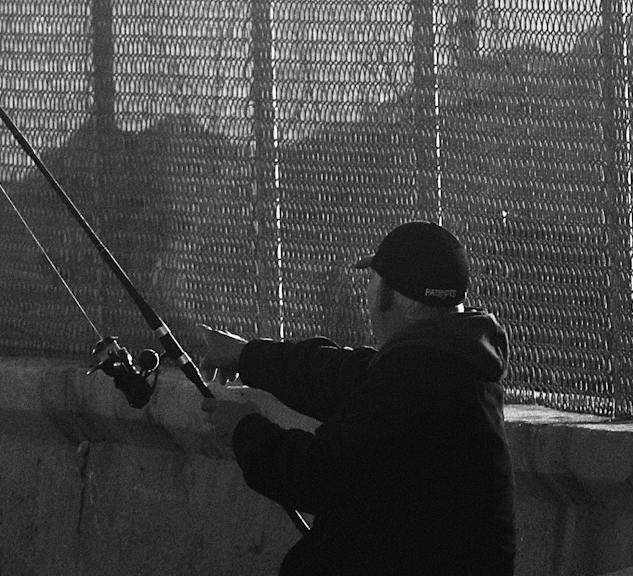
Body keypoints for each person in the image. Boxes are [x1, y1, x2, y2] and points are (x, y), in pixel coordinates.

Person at [200, 220, 516, 576]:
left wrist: (243, 429)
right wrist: (247, 355)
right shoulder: (452, 366)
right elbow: (337, 375)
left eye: (374, 280)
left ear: (399, 299)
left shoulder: (414, 384)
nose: (368, 295)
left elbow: (318, 477)